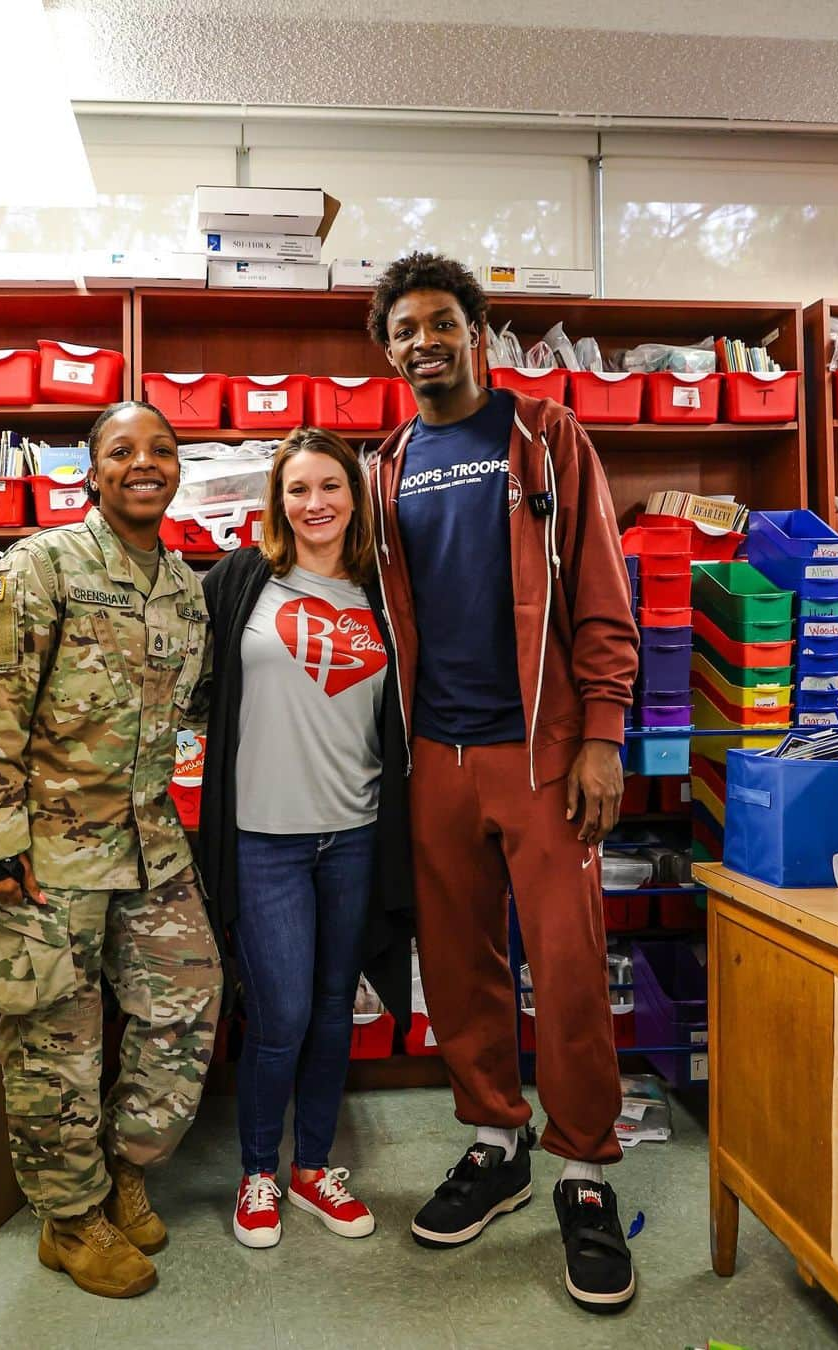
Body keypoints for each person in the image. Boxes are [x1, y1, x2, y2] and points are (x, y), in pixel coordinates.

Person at [366, 253, 640, 1313]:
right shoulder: (387, 463)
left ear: (478, 333)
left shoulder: (548, 436)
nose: (423, 342)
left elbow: (605, 592)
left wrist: (603, 733)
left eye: (442, 323)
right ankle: (496, 1140)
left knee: (569, 963)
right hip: (436, 753)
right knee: (459, 963)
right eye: (404, 331)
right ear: (386, 350)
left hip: (543, 751)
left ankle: (584, 1169)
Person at [0, 401, 222, 1299]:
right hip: (43, 852)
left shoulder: (184, 587)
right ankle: (70, 1221)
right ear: (93, 471)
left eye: (162, 449)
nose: (145, 463)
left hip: (148, 841)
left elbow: (198, 709)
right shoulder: (40, 566)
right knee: (53, 1039)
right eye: (123, 450)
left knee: (187, 1000)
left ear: (177, 469)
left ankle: (124, 1171)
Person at [199, 426, 412, 1250]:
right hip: (264, 839)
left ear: (355, 497)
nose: (314, 502)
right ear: (277, 500)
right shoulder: (245, 580)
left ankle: (314, 1167)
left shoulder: (387, 591)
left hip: (356, 834)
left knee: (332, 1011)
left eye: (331, 485)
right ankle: (258, 1170)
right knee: (281, 1012)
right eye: (298, 488)